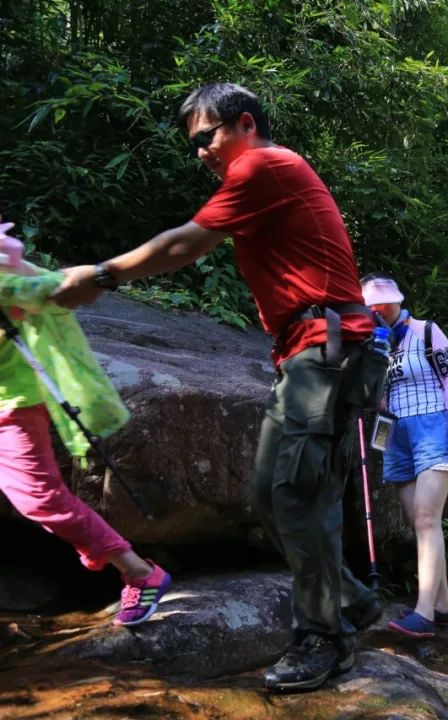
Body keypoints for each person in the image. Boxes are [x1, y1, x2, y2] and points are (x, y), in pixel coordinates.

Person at [51, 84, 382, 692]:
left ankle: (325, 641)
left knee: (293, 493)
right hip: (307, 352)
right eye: (194, 145)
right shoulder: (261, 176)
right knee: (271, 491)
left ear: (245, 124)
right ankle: (350, 601)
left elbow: (184, 243)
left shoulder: (264, 164)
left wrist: (100, 274)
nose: (201, 152)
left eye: (207, 137)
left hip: (326, 350)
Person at [0, 220, 170, 626]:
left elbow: (50, 290)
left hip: (14, 403)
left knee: (39, 498)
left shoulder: (11, 274)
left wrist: (91, 277)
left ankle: (140, 573)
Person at [362, 274, 448, 639]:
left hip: (433, 427)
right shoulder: (376, 343)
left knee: (426, 517)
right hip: (396, 434)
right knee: (418, 522)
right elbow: (375, 394)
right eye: (371, 305)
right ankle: (441, 607)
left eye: (382, 302)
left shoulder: (426, 332)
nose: (377, 310)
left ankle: (423, 614)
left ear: (395, 301)